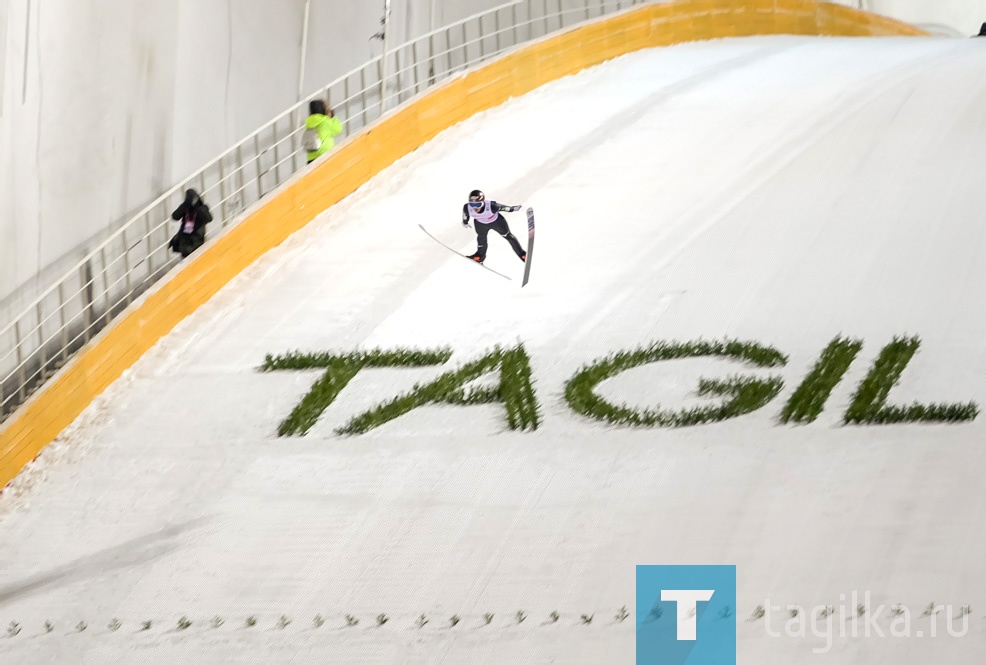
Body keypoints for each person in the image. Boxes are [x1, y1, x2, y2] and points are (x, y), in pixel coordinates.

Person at [461, 189, 526, 264]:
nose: (475, 208)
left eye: (478, 204)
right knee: (481, 238)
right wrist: (465, 222)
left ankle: (523, 255)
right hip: (480, 224)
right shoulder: (467, 207)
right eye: (472, 204)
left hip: (496, 222)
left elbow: (504, 208)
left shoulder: (491, 206)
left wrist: (513, 208)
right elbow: (465, 215)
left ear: (483, 202)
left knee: (508, 236)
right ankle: (480, 257)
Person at [169, 188, 213, 258]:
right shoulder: (185, 208)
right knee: (185, 253)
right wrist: (185, 205)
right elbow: (175, 216)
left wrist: (198, 207)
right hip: (185, 238)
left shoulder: (202, 208)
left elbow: (209, 219)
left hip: (196, 239)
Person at [303, 99, 343, 164]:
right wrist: (333, 117)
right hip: (324, 153)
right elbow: (338, 129)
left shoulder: (309, 123)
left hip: (311, 156)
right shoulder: (324, 121)